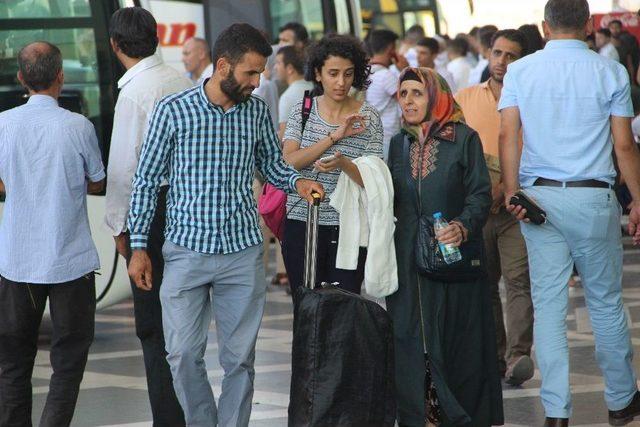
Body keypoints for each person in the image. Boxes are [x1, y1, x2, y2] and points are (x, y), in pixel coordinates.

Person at [126, 23, 323, 427]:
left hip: (243, 252)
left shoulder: (256, 112)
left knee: (239, 361)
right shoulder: (173, 110)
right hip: (184, 250)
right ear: (222, 66)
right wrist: (139, 246)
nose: (259, 80)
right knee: (181, 354)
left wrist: (298, 182)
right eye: (251, 72)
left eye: (261, 71)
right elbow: (145, 180)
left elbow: (271, 166)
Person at [499, 1, 640, 425]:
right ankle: (620, 401)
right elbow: (624, 145)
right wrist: (638, 198)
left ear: (544, 27)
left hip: (539, 201)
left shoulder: (521, 71)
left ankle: (556, 411)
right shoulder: (609, 71)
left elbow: (508, 133)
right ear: (587, 26)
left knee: (548, 306)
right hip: (593, 197)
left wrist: (512, 194)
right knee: (605, 303)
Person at [386, 67, 503, 427]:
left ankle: (458, 415)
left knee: (456, 340)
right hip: (407, 258)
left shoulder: (464, 139)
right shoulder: (398, 143)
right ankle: (419, 414)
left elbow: (480, 194)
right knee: (409, 335)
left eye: (417, 93)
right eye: (403, 94)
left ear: (436, 97)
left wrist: (462, 227)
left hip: (453, 259)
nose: (408, 101)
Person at [0, 42, 105, 427]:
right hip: (69, 261)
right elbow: (96, 182)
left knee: (12, 360)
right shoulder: (79, 126)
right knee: (69, 357)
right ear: (61, 75)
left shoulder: (2, 124)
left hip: (16, 261)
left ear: (20, 79)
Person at [103, 7, 192, 425]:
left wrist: (123, 231)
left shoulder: (134, 94)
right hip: (189, 212)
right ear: (156, 39)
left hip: (152, 219)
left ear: (115, 45)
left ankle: (169, 419)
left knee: (153, 327)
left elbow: (124, 171)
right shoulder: (183, 80)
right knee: (185, 325)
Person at [455, 29, 534, 386]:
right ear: (488, 54)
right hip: (477, 208)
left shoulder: (533, 99)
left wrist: (509, 185)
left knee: (519, 281)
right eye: (498, 53)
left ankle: (518, 356)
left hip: (517, 207)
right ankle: (496, 354)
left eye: (511, 55)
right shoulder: (465, 99)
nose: (502, 62)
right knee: (485, 283)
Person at [282, 34, 384, 296]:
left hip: (349, 226)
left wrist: (343, 163)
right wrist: (334, 137)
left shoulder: (368, 117)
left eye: (348, 74)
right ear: (318, 73)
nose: (341, 82)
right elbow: (288, 162)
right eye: (333, 73)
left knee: (343, 307)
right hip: (302, 222)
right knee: (305, 305)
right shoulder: (303, 109)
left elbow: (373, 180)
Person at [365, 29, 408, 161]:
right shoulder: (386, 76)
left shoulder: (367, 72)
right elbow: (408, 100)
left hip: (373, 136)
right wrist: (406, 70)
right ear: (391, 49)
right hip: (388, 138)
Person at [275, 45, 313, 140]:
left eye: (278, 63)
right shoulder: (315, 87)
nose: (275, 67)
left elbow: (285, 138)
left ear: (290, 69)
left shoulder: (287, 98)